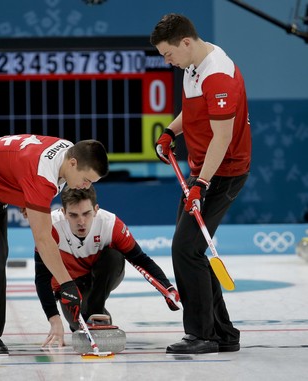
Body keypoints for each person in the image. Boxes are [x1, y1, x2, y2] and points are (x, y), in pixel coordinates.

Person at [0, 135, 109, 355]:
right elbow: (43, 239)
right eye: (86, 179)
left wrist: (26, 199)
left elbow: (21, 169)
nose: (86, 186)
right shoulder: (43, 174)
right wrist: (67, 284)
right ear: (73, 163)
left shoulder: (68, 154)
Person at [150, 13, 251, 354]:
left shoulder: (218, 75)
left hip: (223, 172)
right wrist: (169, 131)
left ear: (186, 42)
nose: (168, 62)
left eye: (168, 55)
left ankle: (202, 335)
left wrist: (201, 183)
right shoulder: (193, 66)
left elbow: (222, 138)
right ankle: (223, 334)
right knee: (190, 249)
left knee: (185, 249)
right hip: (204, 171)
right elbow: (194, 113)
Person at [35, 186, 180, 347]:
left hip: (100, 275)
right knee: (78, 325)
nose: (81, 221)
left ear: (96, 210)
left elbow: (141, 260)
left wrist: (167, 288)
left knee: (115, 256)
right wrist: (54, 320)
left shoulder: (110, 224)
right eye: (73, 215)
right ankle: (87, 316)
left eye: (86, 213)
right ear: (63, 212)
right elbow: (42, 278)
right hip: (68, 285)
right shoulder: (50, 227)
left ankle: (95, 311)